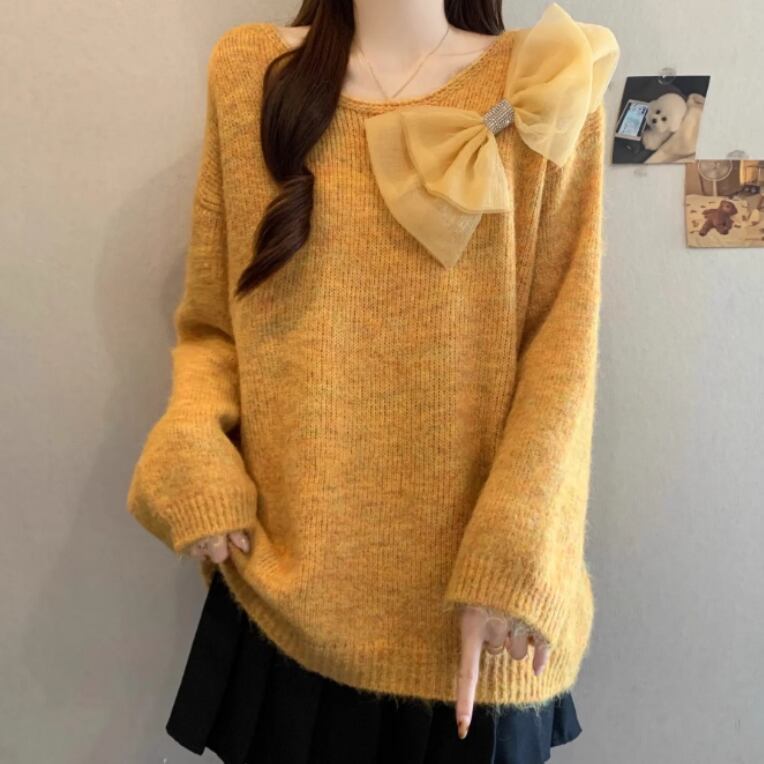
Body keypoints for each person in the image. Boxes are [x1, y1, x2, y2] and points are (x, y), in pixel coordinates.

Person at [126, 1, 620, 761]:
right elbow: (213, 326)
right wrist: (193, 441)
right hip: (280, 604)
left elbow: (563, 353)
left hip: (476, 624)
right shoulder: (250, 72)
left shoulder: (546, 79)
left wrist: (516, 556)